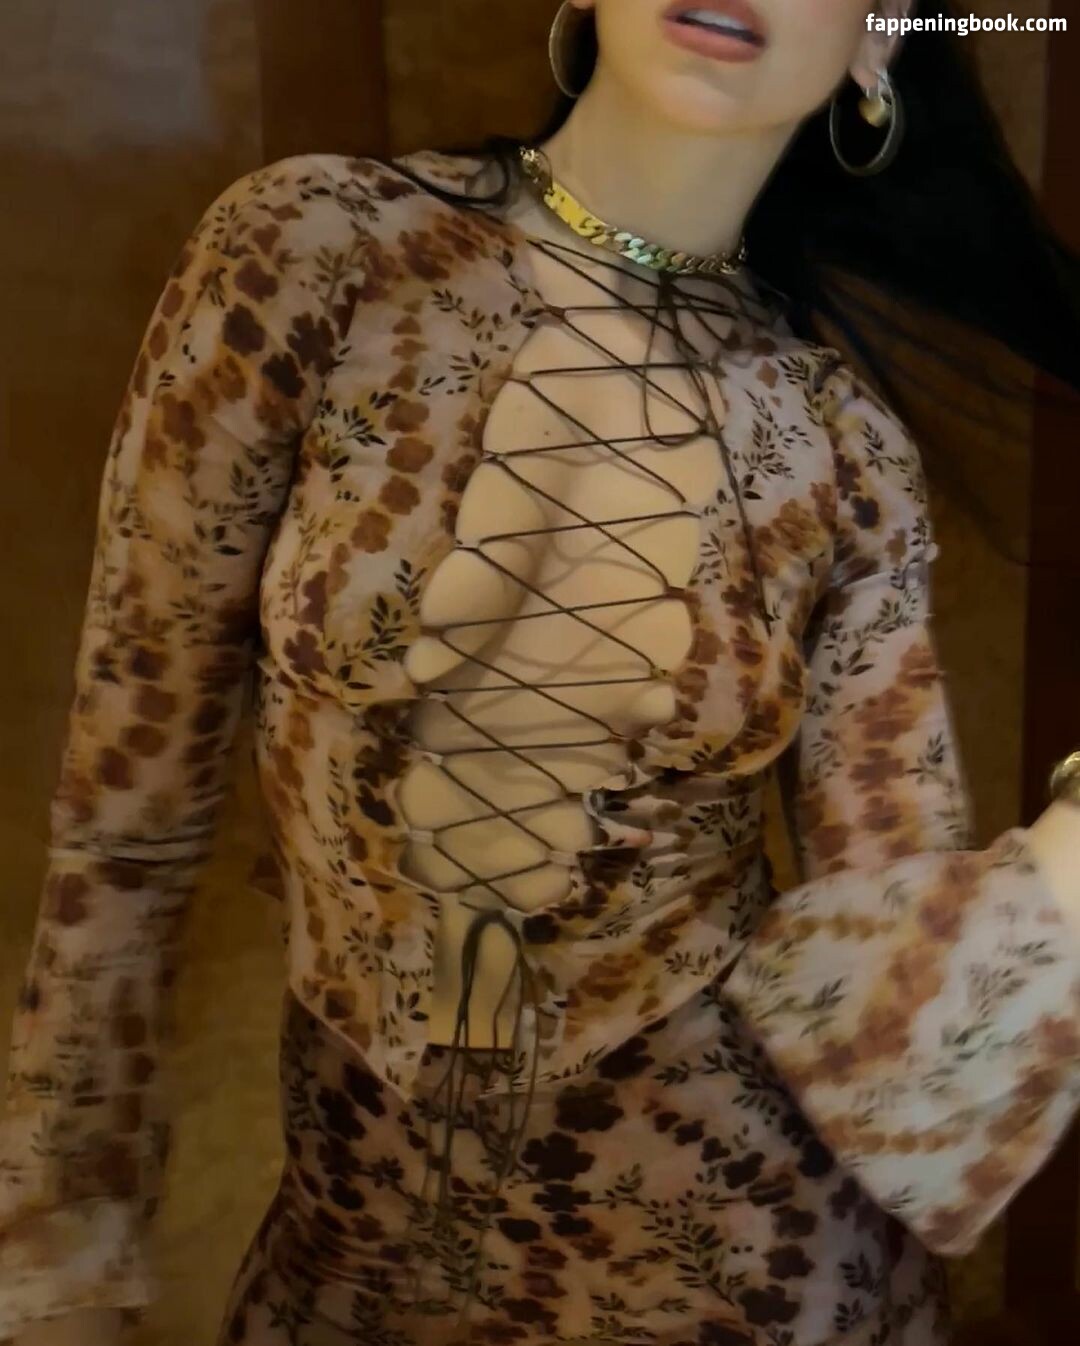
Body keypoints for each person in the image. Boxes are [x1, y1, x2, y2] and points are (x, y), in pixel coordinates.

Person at [2, 1, 1079, 1343]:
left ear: (875, 44)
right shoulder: (319, 247)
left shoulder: (844, 455)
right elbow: (124, 822)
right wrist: (56, 1257)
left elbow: (894, 1032)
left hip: (754, 1280)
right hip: (349, 1275)